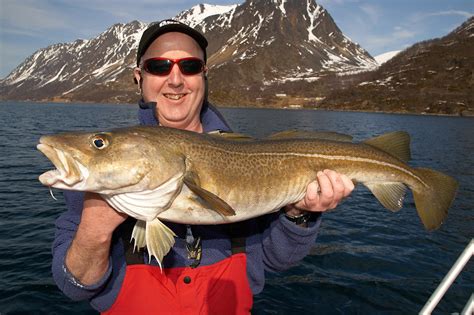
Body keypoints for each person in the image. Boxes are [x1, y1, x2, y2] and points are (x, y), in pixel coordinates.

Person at [52, 19, 354, 314]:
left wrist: (299, 214)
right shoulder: (99, 177)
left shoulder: (244, 153)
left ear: (204, 75)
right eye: (159, 67)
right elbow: (75, 287)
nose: (175, 79)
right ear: (138, 77)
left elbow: (276, 260)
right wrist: (94, 230)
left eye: (190, 66)